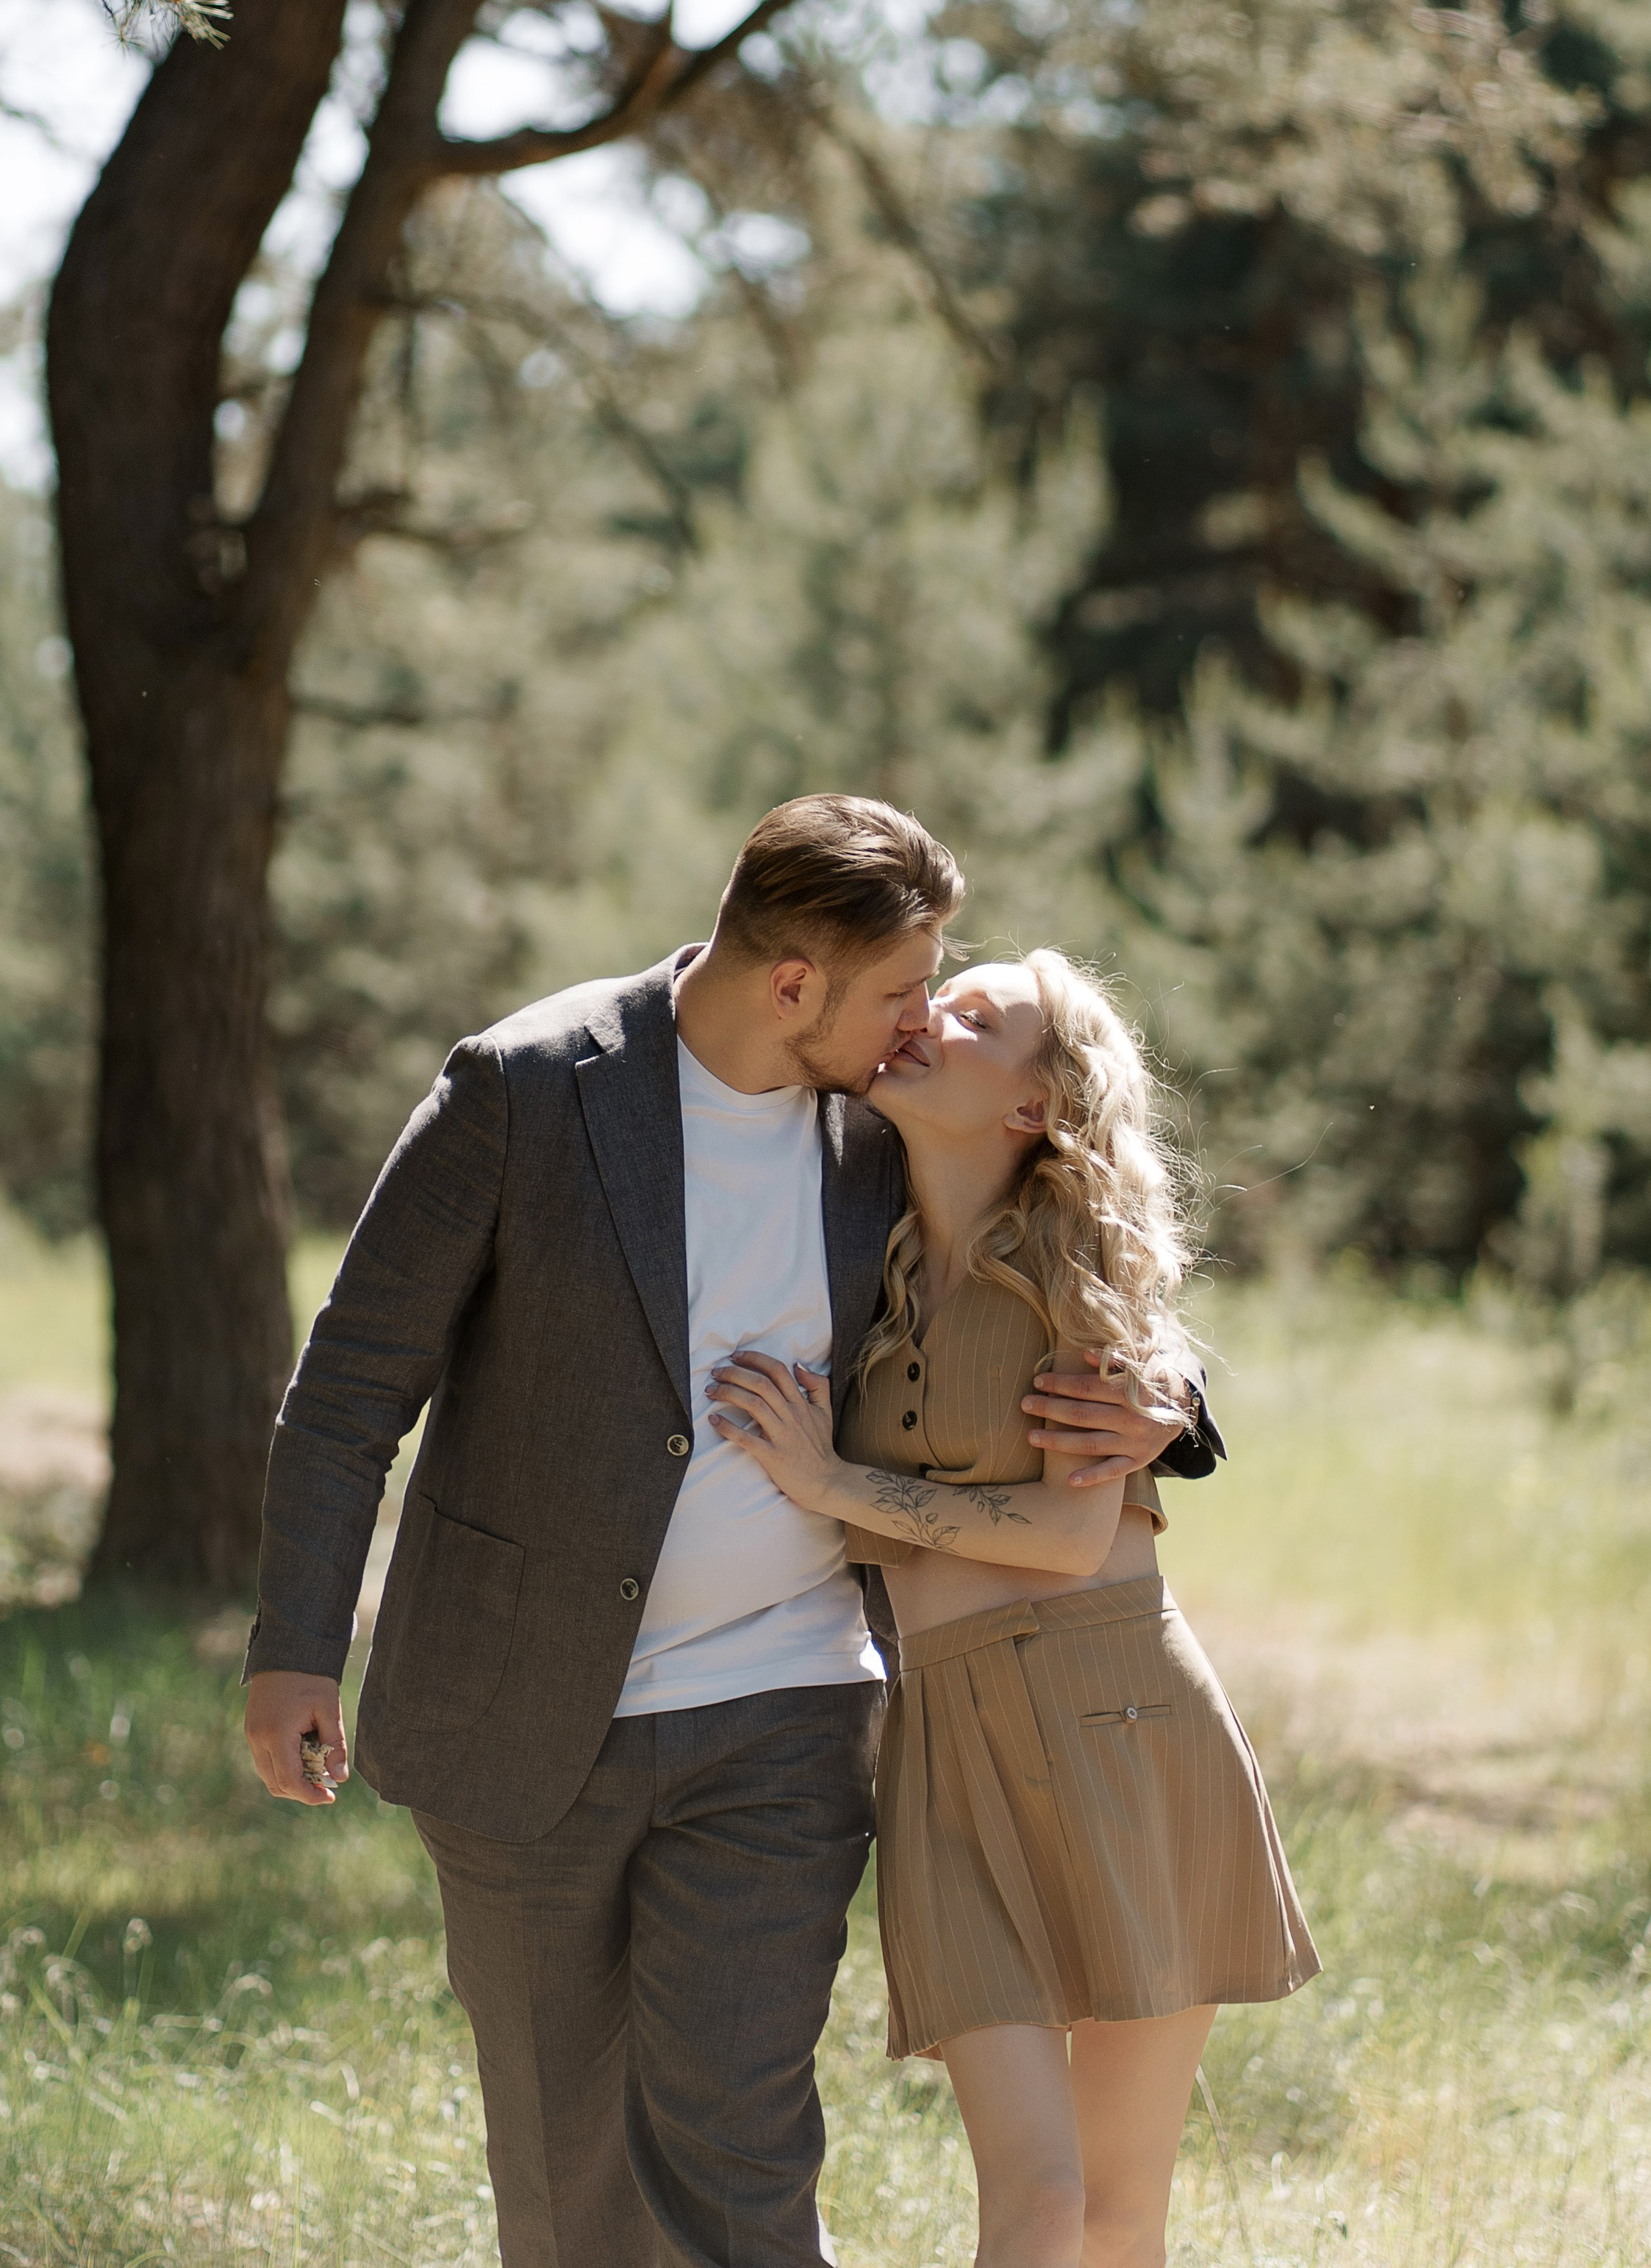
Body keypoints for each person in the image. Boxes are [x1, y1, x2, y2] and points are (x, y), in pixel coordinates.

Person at [243, 805, 1210, 2268]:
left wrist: (1173, 1399)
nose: (915, 1026)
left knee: (736, 2161)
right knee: (569, 2192)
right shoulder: (521, 1092)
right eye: (898, 992)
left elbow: (1083, 1219)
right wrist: (293, 1653)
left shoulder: (880, 1124)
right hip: (520, 1717)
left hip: (785, 1717)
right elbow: (350, 1387)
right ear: (790, 986)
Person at [709, 950, 1316, 2268]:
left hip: (1121, 1723)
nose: (931, 1019)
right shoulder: (853, 1244)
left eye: (978, 1020)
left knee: (1105, 2214)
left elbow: (1063, 1532)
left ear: (1035, 1106)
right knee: (1033, 2197)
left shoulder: (1080, 1253)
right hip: (942, 1746)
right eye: (934, 1000)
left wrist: (830, 1480)